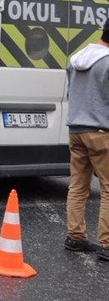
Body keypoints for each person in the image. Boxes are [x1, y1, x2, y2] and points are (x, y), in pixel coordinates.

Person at [64, 23, 109, 261]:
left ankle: (75, 237)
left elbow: (71, 92)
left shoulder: (76, 57)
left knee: (78, 186)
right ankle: (107, 244)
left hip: (76, 129)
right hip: (102, 132)